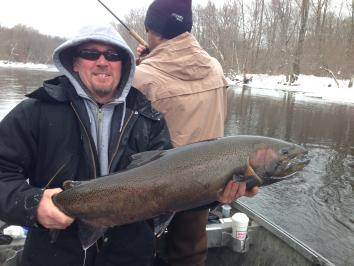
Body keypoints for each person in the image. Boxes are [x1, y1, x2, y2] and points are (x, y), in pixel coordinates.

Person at [0, 24, 173, 266]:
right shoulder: (34, 113)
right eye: (91, 54)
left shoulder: (150, 120)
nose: (103, 61)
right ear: (74, 62)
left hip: (131, 258)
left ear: (124, 64)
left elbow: (176, 187)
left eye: (112, 55)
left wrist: (218, 193)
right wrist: (33, 204)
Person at [133, 0, 258, 265]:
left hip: (157, 186)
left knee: (138, 248)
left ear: (153, 31)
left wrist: (142, 65)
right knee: (190, 251)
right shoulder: (215, 67)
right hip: (207, 185)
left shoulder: (142, 76)